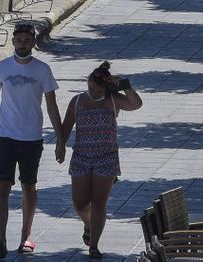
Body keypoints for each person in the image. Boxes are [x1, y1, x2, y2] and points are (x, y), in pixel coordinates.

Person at [0, 20, 60, 259]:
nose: (23, 44)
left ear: (33, 42)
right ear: (13, 42)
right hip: (5, 137)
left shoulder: (42, 70)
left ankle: (25, 237)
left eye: (27, 40)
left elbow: (52, 106)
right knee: (1, 187)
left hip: (31, 138)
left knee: (28, 187)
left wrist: (61, 139)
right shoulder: (1, 68)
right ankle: (0, 239)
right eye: (19, 40)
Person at [57, 62, 143, 259]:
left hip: (107, 158)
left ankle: (94, 244)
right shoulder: (77, 101)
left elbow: (136, 104)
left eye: (97, 90)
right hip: (81, 157)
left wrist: (124, 85)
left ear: (106, 88)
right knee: (79, 204)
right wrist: (60, 145)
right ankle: (88, 223)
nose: (93, 93)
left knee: (98, 203)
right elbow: (66, 126)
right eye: (90, 88)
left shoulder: (113, 100)